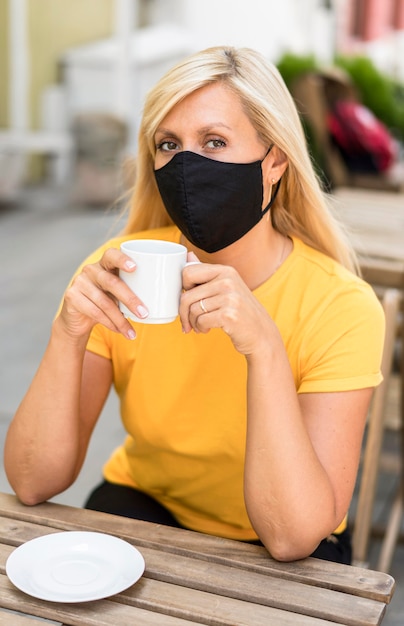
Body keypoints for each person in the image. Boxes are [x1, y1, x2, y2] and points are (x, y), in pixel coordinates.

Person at [4, 46, 385, 564]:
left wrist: (265, 349)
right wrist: (67, 335)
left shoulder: (342, 306)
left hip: (279, 535)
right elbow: (32, 482)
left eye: (214, 141)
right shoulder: (119, 275)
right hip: (143, 505)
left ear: (273, 160)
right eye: (169, 144)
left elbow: (293, 536)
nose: (187, 165)